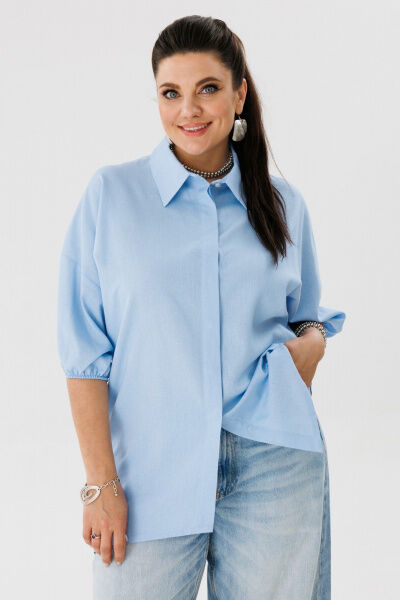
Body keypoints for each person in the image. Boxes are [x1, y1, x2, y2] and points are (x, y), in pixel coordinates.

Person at [56, 15, 346, 600]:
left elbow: (305, 312)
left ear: (239, 94)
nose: (188, 109)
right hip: (149, 467)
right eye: (171, 93)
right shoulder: (112, 195)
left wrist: (311, 344)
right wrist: (99, 483)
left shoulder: (283, 204)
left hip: (273, 463)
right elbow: (85, 350)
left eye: (207, 88)